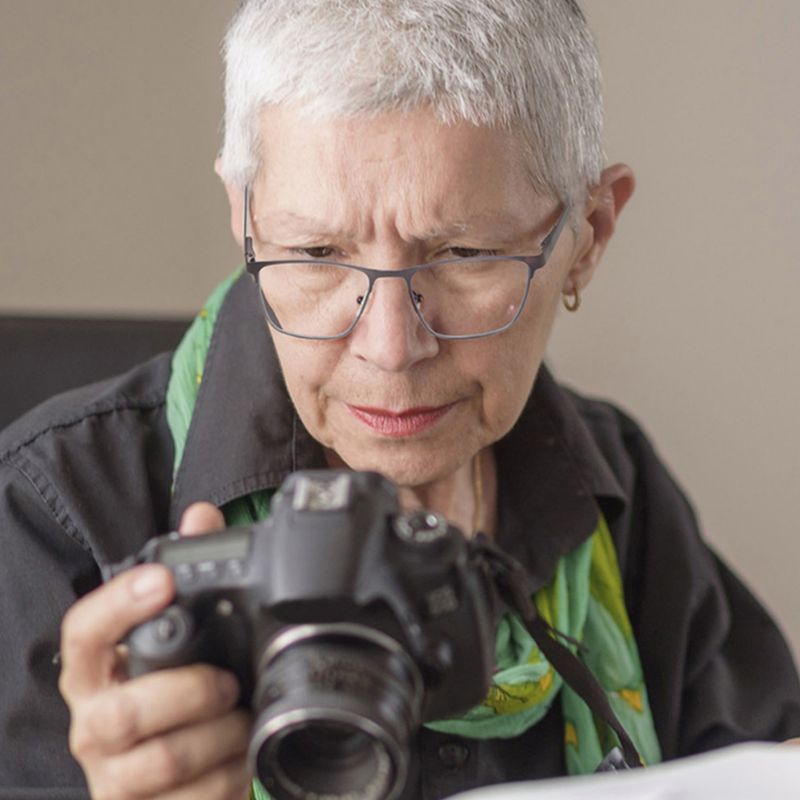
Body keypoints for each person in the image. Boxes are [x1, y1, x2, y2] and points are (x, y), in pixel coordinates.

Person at [1, 1, 799, 798]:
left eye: (464, 253)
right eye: (317, 251)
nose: (388, 348)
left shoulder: (615, 488)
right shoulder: (49, 521)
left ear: (588, 236)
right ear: (244, 218)